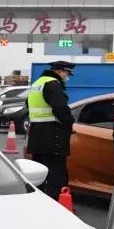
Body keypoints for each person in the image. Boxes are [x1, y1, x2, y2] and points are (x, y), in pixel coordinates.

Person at [27, 60, 76, 200]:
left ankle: (38, 199)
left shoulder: (37, 84)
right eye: (67, 73)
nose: (68, 76)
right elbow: (61, 108)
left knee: (39, 171)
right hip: (53, 135)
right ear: (60, 71)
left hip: (37, 134)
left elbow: (28, 104)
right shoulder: (53, 84)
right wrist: (69, 122)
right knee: (56, 172)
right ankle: (57, 200)